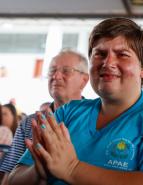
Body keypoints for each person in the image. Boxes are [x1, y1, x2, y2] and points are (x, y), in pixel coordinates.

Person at [9, 18, 143, 185]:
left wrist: (72, 168)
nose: (107, 63)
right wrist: (39, 171)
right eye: (99, 54)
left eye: (122, 54)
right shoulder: (69, 112)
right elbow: (13, 179)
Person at [0, 49, 89, 185]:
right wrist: (38, 169)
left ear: (84, 80)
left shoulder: (95, 118)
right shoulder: (30, 122)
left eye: (66, 71)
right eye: (52, 71)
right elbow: (9, 176)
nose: (56, 76)